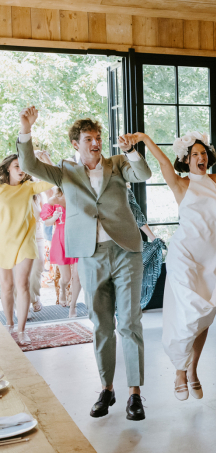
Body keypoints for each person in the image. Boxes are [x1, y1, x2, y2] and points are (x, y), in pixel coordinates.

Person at [17, 107, 151, 420]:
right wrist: (26, 129)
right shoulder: (65, 170)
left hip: (126, 250)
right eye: (89, 138)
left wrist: (131, 151)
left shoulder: (117, 164)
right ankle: (107, 389)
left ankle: (135, 394)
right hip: (90, 255)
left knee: (130, 323)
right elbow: (28, 163)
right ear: (76, 144)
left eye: (99, 137)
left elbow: (143, 174)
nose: (96, 142)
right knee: (101, 325)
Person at [142, 131, 216, 401]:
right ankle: (179, 372)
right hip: (183, 255)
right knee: (186, 313)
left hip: (210, 258)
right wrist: (146, 138)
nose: (201, 157)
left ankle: (192, 370)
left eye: (204, 153)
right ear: (186, 159)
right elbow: (162, 163)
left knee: (204, 317)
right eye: (195, 154)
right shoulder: (180, 184)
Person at [0, 154, 53, 343]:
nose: (21, 170)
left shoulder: (29, 187)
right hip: (3, 244)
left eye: (24, 166)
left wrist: (46, 161)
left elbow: (51, 179)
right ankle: (9, 324)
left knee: (22, 284)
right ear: (7, 168)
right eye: (16, 166)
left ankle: (21, 330)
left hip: (25, 243)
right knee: (6, 288)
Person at [41, 187, 81, 318]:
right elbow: (47, 222)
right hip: (61, 239)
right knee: (66, 278)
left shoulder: (78, 196)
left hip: (77, 238)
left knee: (77, 276)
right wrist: (54, 217)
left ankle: (73, 306)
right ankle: (63, 289)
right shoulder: (53, 200)